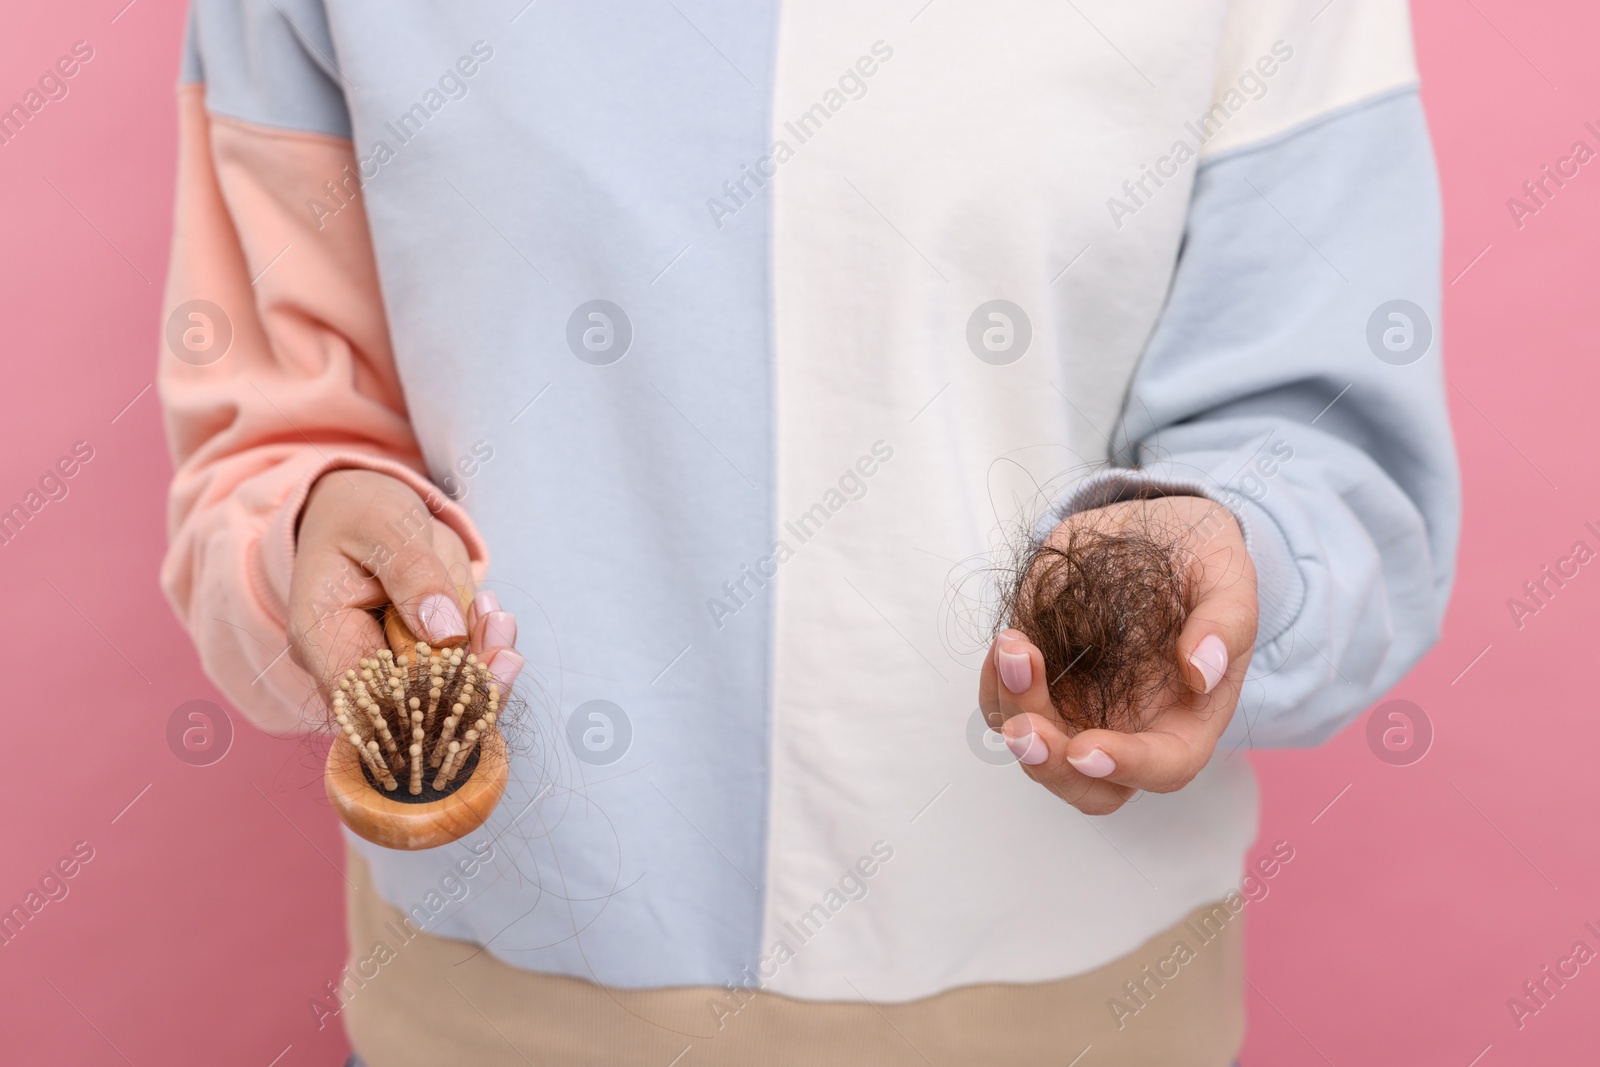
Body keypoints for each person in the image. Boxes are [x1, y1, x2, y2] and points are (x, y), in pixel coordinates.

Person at [159, 1, 1458, 1063]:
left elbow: (1334, 458)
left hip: (1080, 1018)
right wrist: (311, 529)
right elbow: (265, 449)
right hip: (489, 1010)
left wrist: (1223, 568)